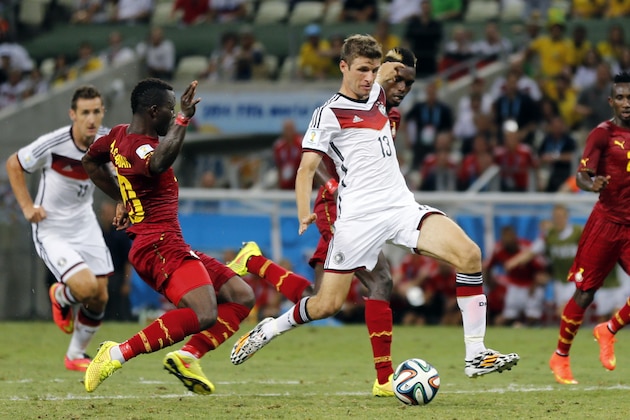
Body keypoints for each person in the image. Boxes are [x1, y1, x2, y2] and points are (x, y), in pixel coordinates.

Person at [229, 34, 519, 379]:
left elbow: (398, 68)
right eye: (362, 70)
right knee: (326, 304)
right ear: (344, 67)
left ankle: (476, 354)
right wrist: (302, 209)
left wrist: (400, 62)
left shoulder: (380, 94)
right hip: (358, 220)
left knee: (469, 254)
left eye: (373, 70)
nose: (369, 77)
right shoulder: (328, 114)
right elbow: (306, 168)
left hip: (400, 207)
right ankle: (270, 329)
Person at [227, 46, 420, 397]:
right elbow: (315, 162)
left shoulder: (387, 114)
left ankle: (254, 264)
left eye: (407, 81)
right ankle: (383, 379)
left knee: (323, 299)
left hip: (369, 209)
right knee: (379, 281)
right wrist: (324, 190)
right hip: (339, 208)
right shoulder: (337, 109)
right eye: (395, 76)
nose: (400, 86)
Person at [81, 78, 255, 393]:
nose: (172, 113)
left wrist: (123, 197)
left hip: (168, 243)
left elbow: (90, 160)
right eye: (169, 109)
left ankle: (188, 356)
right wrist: (184, 119)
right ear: (153, 111)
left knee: (242, 296)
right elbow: (159, 162)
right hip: (157, 244)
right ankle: (117, 353)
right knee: (204, 313)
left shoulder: (118, 136)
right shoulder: (142, 147)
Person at [5, 86, 113, 372]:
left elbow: (121, 173)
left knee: (100, 296)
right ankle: (61, 295)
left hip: (85, 223)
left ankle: (75, 354)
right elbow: (13, 163)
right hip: (51, 228)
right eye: (85, 112)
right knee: (86, 287)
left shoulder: (108, 140)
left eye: (96, 112)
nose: (91, 119)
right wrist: (27, 207)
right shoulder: (53, 144)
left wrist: (125, 202)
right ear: (72, 115)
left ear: (103, 112)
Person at [548, 71, 630, 385]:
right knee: (585, 293)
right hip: (606, 224)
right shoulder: (602, 134)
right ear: (611, 101)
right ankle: (561, 355)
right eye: (620, 98)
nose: (626, 103)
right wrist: (591, 182)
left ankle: (608, 330)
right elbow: (582, 175)